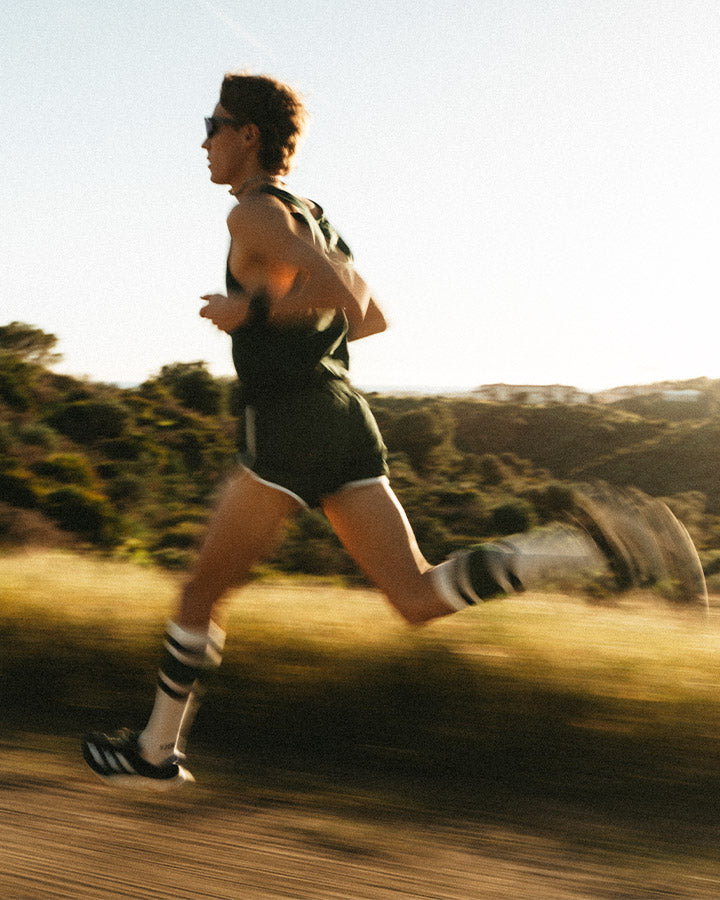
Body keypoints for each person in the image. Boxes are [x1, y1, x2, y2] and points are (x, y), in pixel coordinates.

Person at [82, 73, 707, 790]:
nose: (204, 141)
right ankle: (575, 547)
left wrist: (250, 315)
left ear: (247, 135)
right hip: (344, 417)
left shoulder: (252, 216)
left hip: (289, 424)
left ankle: (155, 752)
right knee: (415, 596)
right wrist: (283, 313)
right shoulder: (311, 213)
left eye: (213, 124)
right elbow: (368, 315)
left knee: (199, 595)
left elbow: (347, 301)